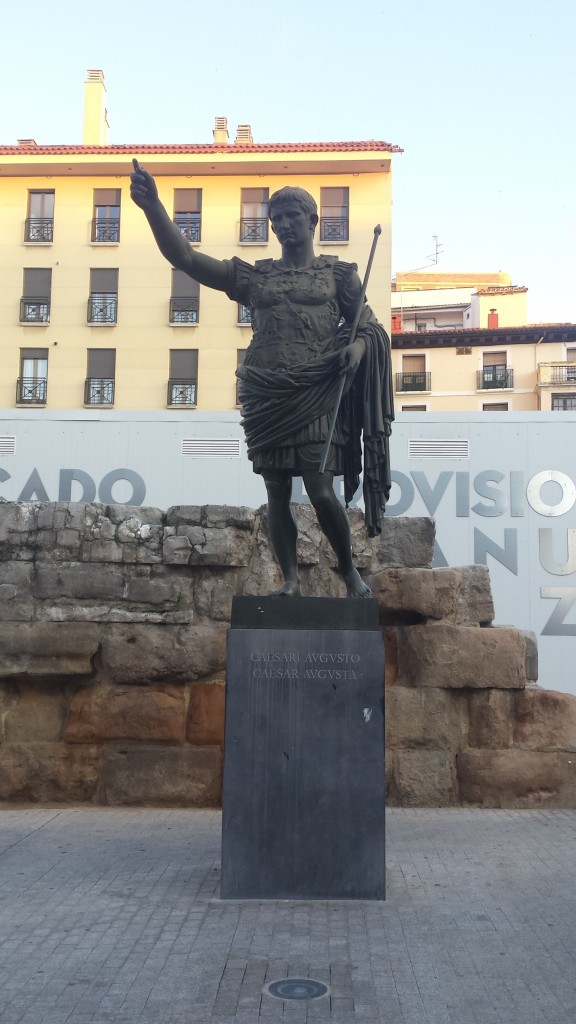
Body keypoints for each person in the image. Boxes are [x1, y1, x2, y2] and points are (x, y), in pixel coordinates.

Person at [130, 161, 393, 597]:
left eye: (293, 217)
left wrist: (357, 348)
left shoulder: (338, 275)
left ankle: (348, 570)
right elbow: (187, 258)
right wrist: (153, 206)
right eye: (277, 219)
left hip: (316, 390)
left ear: (313, 221)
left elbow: (368, 326)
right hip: (266, 388)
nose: (285, 225)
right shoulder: (257, 277)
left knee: (319, 487)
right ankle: (289, 580)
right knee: (276, 489)